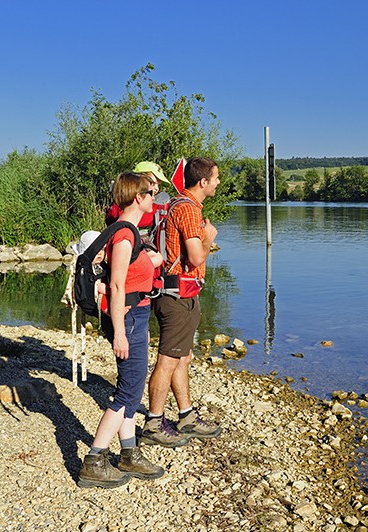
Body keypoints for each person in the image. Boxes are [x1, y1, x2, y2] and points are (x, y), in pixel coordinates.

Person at [78, 172, 167, 489]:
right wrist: (119, 333)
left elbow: (128, 277)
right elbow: (116, 286)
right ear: (138, 198)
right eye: (151, 193)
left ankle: (128, 454)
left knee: (132, 389)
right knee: (127, 393)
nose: (155, 198)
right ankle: (94, 460)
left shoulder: (129, 232)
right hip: (128, 320)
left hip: (136, 317)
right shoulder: (126, 236)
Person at [142, 157, 222, 447]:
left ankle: (186, 416)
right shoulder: (187, 209)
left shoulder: (181, 205)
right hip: (175, 295)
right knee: (168, 359)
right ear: (203, 182)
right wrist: (208, 238)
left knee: (182, 357)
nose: (218, 182)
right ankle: (153, 423)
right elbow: (195, 257)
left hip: (183, 293)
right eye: (215, 178)